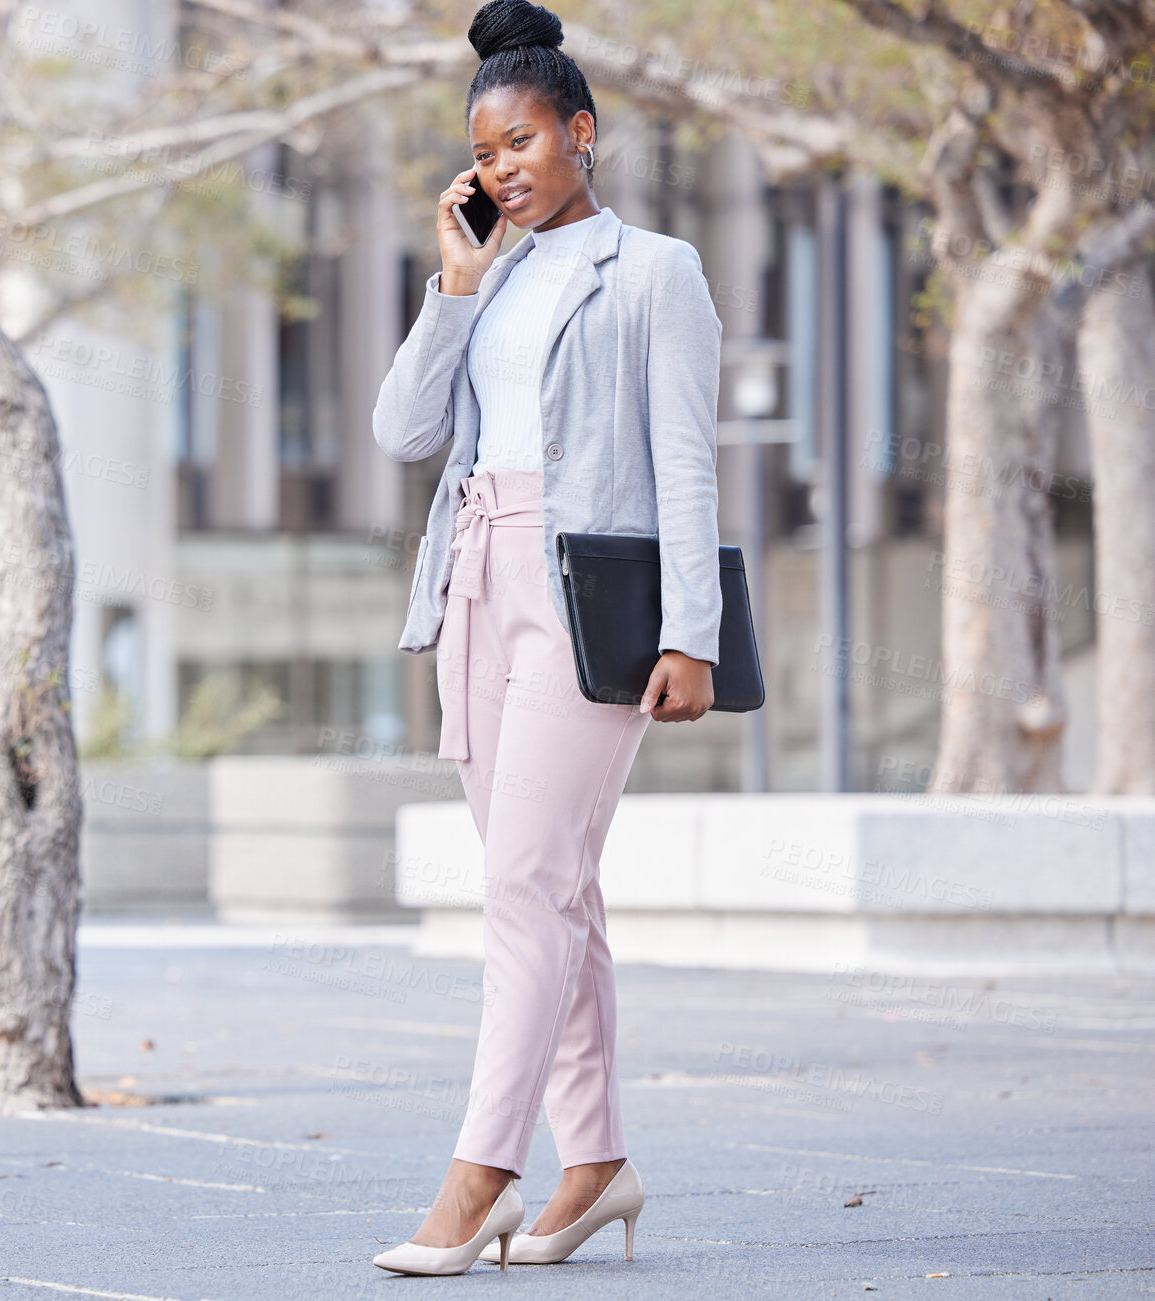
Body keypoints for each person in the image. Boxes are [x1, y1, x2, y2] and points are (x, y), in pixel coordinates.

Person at [367, 0, 724, 1277]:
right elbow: (403, 434)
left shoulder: (654, 271)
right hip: (473, 584)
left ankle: (482, 1172)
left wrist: (694, 632)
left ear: (582, 133)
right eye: (485, 150)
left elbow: (684, 463)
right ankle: (599, 1163)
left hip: (589, 602)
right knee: (554, 887)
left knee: (522, 885)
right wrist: (453, 290)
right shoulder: (486, 277)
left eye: (523, 141)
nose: (503, 167)